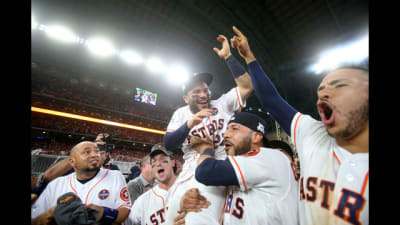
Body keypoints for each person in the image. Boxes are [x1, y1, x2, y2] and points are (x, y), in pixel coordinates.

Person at [229, 26, 369, 225]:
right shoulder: (312, 132)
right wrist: (249, 57)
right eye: (321, 89)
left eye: (339, 86)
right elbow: (271, 101)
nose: (324, 93)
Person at [163, 34, 254, 225]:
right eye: (196, 92)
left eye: (205, 90)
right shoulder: (181, 113)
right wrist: (189, 124)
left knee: (200, 219)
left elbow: (247, 86)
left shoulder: (222, 104)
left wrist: (229, 58)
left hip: (217, 170)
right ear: (186, 98)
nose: (203, 95)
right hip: (187, 175)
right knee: (172, 220)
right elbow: (169, 144)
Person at [178, 112, 298, 225]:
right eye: (226, 129)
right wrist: (192, 202)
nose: (225, 135)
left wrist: (206, 150)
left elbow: (205, 171)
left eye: (234, 129)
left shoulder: (271, 156)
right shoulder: (241, 175)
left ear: (256, 137)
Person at [31, 141, 131, 224]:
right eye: (87, 152)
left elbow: (125, 209)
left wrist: (103, 213)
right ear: (72, 162)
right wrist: (51, 214)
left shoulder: (115, 176)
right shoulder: (56, 185)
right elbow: (35, 218)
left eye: (97, 151)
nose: (94, 155)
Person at [31, 133, 120, 204]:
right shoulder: (75, 164)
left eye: (105, 144)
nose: (101, 147)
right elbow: (46, 178)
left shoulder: (114, 170)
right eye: (97, 143)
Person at [125, 143, 179, 225]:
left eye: (162, 159)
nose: (158, 163)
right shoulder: (142, 201)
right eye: (154, 161)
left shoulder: (190, 190)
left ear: (172, 162)